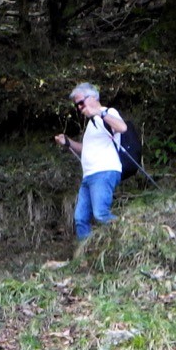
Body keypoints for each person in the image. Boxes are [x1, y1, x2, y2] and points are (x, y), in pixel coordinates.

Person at [53, 83, 127, 240]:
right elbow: (85, 148)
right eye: (77, 105)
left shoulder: (107, 112)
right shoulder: (91, 124)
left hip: (104, 170)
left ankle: (130, 231)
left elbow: (122, 127)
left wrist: (99, 113)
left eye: (81, 102)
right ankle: (84, 255)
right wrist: (67, 142)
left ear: (93, 98)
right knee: (80, 219)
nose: (79, 108)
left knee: (100, 214)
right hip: (89, 176)